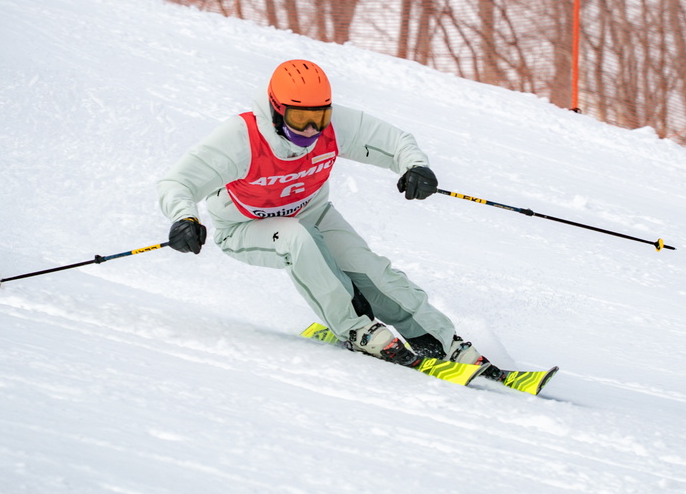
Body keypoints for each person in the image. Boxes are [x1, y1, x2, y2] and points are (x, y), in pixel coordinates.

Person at [157, 59, 485, 369]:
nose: (312, 129)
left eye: (321, 117)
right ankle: (356, 328)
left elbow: (396, 141)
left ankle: (437, 339)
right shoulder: (241, 138)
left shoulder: (333, 127)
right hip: (244, 226)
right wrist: (185, 218)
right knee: (297, 240)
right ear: (276, 110)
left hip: (311, 213)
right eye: (300, 119)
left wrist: (415, 166)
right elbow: (179, 182)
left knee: (370, 269)